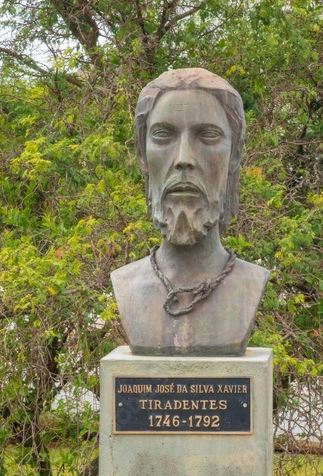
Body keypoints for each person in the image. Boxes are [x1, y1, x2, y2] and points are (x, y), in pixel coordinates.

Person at [111, 68, 270, 355]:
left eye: (207, 136)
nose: (184, 159)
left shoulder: (250, 285)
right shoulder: (126, 285)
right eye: (163, 136)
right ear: (142, 156)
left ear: (235, 156)